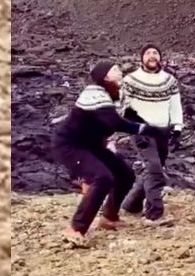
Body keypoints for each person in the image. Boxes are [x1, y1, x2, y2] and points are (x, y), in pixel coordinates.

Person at [51, 61, 156, 245]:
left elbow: (117, 120)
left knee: (124, 175)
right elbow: (116, 123)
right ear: (105, 76)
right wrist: (147, 129)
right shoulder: (94, 93)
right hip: (70, 145)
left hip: (91, 145)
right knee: (103, 178)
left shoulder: (111, 95)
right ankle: (76, 228)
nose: (120, 72)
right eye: (115, 70)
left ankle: (109, 217)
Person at [118, 44, 184, 222]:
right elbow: (124, 105)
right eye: (148, 53)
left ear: (160, 58)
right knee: (154, 168)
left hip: (162, 129)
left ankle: (130, 205)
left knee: (152, 169)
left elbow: (175, 104)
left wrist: (177, 127)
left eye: (155, 53)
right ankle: (154, 213)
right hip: (141, 129)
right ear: (142, 59)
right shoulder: (131, 80)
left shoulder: (169, 80)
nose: (152, 56)